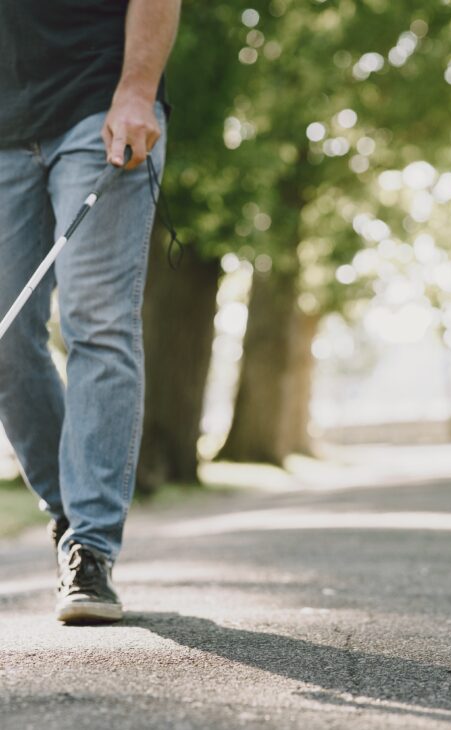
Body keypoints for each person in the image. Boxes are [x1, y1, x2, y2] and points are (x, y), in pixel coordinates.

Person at [0, 0, 181, 623]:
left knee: (97, 321)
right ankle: (69, 515)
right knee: (4, 336)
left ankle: (91, 547)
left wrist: (138, 89)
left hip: (96, 108)